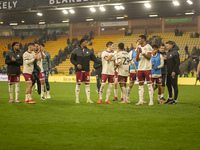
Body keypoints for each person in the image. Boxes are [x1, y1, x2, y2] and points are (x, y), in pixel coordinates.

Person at [70, 38, 102, 103]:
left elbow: (95, 59)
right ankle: (77, 99)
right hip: (79, 71)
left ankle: (88, 99)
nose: (86, 43)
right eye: (85, 42)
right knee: (78, 84)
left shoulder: (89, 51)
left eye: (87, 42)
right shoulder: (75, 51)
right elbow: (72, 59)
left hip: (86, 71)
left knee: (87, 84)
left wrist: (103, 62)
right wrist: (77, 64)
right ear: (81, 43)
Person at [136, 35, 154, 106]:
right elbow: (137, 59)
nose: (139, 40)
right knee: (140, 84)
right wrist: (138, 53)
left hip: (147, 68)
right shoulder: (139, 47)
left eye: (140, 39)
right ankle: (140, 100)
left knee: (149, 84)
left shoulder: (148, 47)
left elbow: (149, 57)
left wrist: (142, 52)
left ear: (143, 39)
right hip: (140, 68)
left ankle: (151, 101)